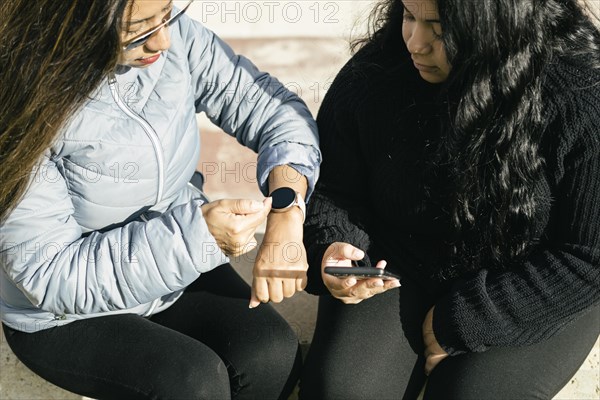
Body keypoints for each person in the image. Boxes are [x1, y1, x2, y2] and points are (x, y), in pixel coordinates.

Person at [0, 0, 321, 399]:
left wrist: (287, 209)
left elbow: (274, 110)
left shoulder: (176, 37)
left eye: (167, 13)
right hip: (64, 312)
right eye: (140, 28)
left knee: (270, 353)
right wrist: (199, 239)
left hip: (172, 270)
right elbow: (48, 273)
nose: (164, 40)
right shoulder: (16, 100)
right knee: (192, 383)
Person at [300, 0, 600, 398]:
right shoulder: (376, 72)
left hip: (535, 276)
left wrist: (464, 319)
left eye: (439, 29)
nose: (415, 43)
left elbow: (588, 255)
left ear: (499, 26)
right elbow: (334, 187)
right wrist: (333, 243)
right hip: (402, 262)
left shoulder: (581, 94)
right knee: (341, 391)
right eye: (408, 15)